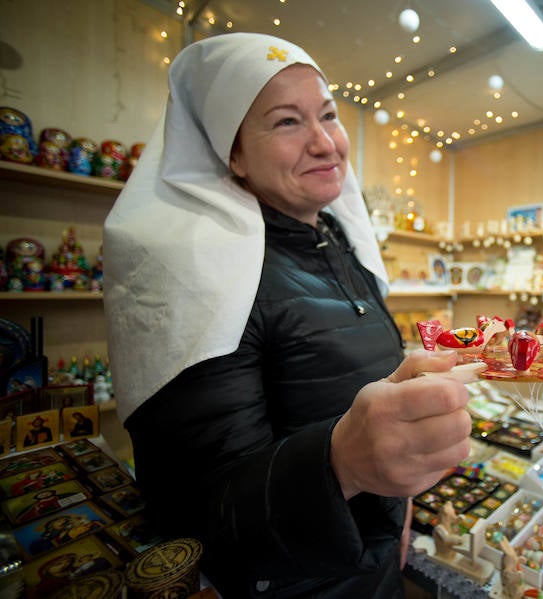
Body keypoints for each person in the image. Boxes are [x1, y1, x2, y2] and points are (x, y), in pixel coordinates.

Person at [102, 33, 472, 597]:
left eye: (328, 114)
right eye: (286, 122)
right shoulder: (202, 272)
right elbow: (200, 515)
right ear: (234, 154)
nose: (326, 143)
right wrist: (341, 462)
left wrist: (400, 504)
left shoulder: (338, 247)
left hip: (370, 564)